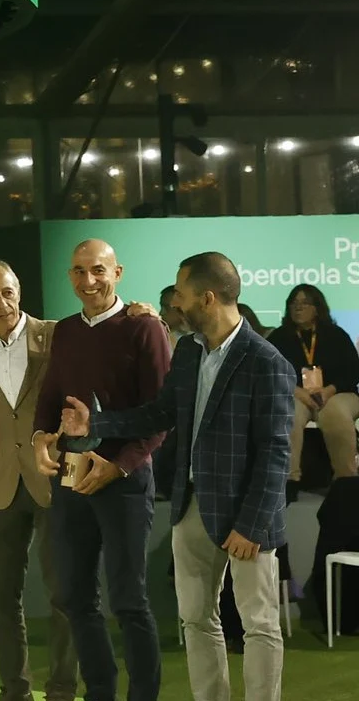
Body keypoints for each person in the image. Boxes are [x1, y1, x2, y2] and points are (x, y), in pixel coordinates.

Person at [49, 252, 292, 701]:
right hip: (191, 505)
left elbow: (276, 452)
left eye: (180, 293)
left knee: (259, 624)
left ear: (208, 297)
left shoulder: (267, 361)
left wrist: (251, 524)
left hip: (246, 517)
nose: (174, 302)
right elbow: (160, 413)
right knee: (197, 619)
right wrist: (95, 426)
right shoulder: (187, 351)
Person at [27, 240, 170, 701]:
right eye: (78, 272)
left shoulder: (145, 328)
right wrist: (39, 438)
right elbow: (51, 395)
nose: (88, 282)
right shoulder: (66, 331)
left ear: (118, 272)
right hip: (70, 478)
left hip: (124, 481)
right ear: (69, 276)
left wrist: (119, 466)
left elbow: (160, 415)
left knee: (129, 601)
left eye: (97, 271)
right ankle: (100, 692)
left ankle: (143, 695)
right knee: (75, 599)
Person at [0, 260, 76, 701]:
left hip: (53, 477)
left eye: (7, 292)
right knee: (3, 599)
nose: (2, 303)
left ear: (18, 289)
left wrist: (142, 314)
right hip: (1, 488)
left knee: (64, 593)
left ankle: (61, 688)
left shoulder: (59, 335)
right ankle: (15, 690)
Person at [267, 282, 359, 487]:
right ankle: (289, 479)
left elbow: (353, 371)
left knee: (334, 412)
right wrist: (297, 391)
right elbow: (270, 373)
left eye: (305, 303)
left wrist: (329, 391)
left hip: (338, 394)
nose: (298, 307)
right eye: (294, 303)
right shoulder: (279, 337)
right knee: (287, 410)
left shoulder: (336, 335)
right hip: (296, 394)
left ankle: (346, 480)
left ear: (317, 308)